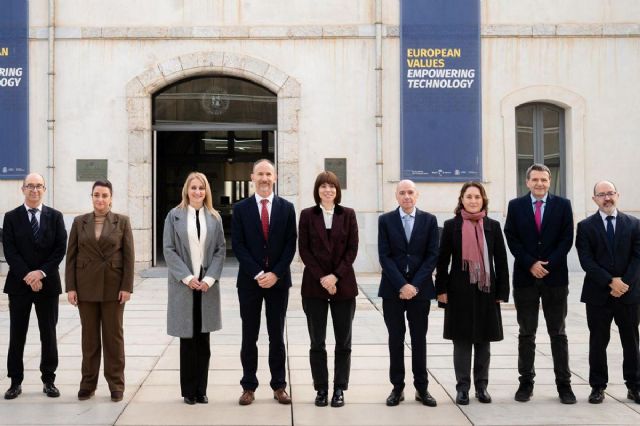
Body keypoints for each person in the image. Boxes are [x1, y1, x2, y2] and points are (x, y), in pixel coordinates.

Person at [504, 163, 576, 404]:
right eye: (535, 180)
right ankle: (526, 383)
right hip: (525, 278)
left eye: (544, 180)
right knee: (527, 333)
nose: (539, 184)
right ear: (527, 182)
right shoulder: (515, 206)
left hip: (555, 279)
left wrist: (547, 265)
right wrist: (530, 264)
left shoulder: (563, 205)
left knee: (558, 333)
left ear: (549, 181)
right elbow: (512, 239)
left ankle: (564, 386)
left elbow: (567, 239)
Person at [435, 182, 509, 405]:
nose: (473, 200)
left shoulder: (493, 226)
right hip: (459, 291)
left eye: (477, 196)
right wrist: (441, 290)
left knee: (484, 341)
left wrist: (502, 291)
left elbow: (502, 262)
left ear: (483, 199)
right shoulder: (451, 226)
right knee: (462, 341)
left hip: (486, 290)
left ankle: (482, 386)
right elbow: (442, 261)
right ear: (462, 199)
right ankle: (463, 388)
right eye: (469, 196)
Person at [232, 159, 297, 406]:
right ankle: (248, 386)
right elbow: (238, 245)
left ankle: (279, 386)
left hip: (278, 283)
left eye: (268, 174)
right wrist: (259, 274)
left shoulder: (286, 208)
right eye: (260, 174)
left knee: (276, 336)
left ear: (275, 177)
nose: (264, 178)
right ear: (252, 177)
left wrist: (276, 274)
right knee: (249, 335)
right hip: (250, 283)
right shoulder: (241, 209)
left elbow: (291, 244)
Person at [66, 180, 134, 402]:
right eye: (96, 195)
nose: (100, 199)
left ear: (111, 198)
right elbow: (71, 257)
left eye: (105, 195)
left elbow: (129, 257)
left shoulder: (122, 222)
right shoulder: (79, 222)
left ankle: (116, 384)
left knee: (114, 338)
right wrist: (71, 287)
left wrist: (126, 287)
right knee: (89, 339)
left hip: (113, 288)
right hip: (85, 287)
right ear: (91, 197)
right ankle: (88, 383)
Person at [2, 173, 67, 400]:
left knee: (48, 334)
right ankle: (15, 381)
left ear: (44, 189)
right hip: (19, 286)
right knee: (16, 335)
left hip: (47, 285)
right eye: (30, 186)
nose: (34, 190)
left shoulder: (55, 217)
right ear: (23, 189)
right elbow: (10, 251)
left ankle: (49, 380)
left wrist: (40, 273)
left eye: (39, 186)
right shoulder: (10, 218)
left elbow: (60, 249)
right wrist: (28, 276)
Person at [163, 172, 226, 405]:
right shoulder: (174, 216)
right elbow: (168, 250)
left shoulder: (214, 217)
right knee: (187, 340)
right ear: (186, 191)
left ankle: (202, 389)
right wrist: (187, 277)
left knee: (204, 340)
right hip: (185, 285)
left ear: (206, 191)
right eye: (193, 188)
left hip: (206, 286)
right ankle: (189, 391)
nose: (197, 192)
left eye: (201, 188)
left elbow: (220, 249)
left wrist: (209, 279)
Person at [575, 181, 640, 404]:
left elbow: (638, 258)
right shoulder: (585, 226)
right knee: (598, 341)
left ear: (617, 195)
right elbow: (586, 260)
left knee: (631, 341)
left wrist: (623, 284)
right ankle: (597, 387)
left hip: (629, 294)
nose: (607, 198)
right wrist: (610, 282)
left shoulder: (634, 224)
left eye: (610, 193)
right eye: (601, 195)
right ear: (594, 199)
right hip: (598, 295)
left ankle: (634, 386)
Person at [298, 171, 359, 407]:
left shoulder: (348, 215)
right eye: (323, 187)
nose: (328, 190)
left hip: (343, 285)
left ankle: (339, 389)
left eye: (332, 186)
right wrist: (324, 278)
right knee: (317, 342)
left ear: (337, 190)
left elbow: (352, 250)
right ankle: (321, 389)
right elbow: (304, 250)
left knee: (343, 342)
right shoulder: (306, 215)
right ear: (317, 190)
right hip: (314, 285)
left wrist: (335, 276)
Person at [378, 179, 439, 407]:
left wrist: (414, 285)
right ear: (396, 195)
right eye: (402, 193)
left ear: (417, 195)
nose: (406, 196)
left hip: (420, 291)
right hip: (392, 291)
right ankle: (397, 388)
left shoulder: (429, 221)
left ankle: (422, 388)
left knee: (418, 340)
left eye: (410, 192)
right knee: (396, 339)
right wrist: (401, 285)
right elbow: (384, 256)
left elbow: (432, 256)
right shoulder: (385, 220)